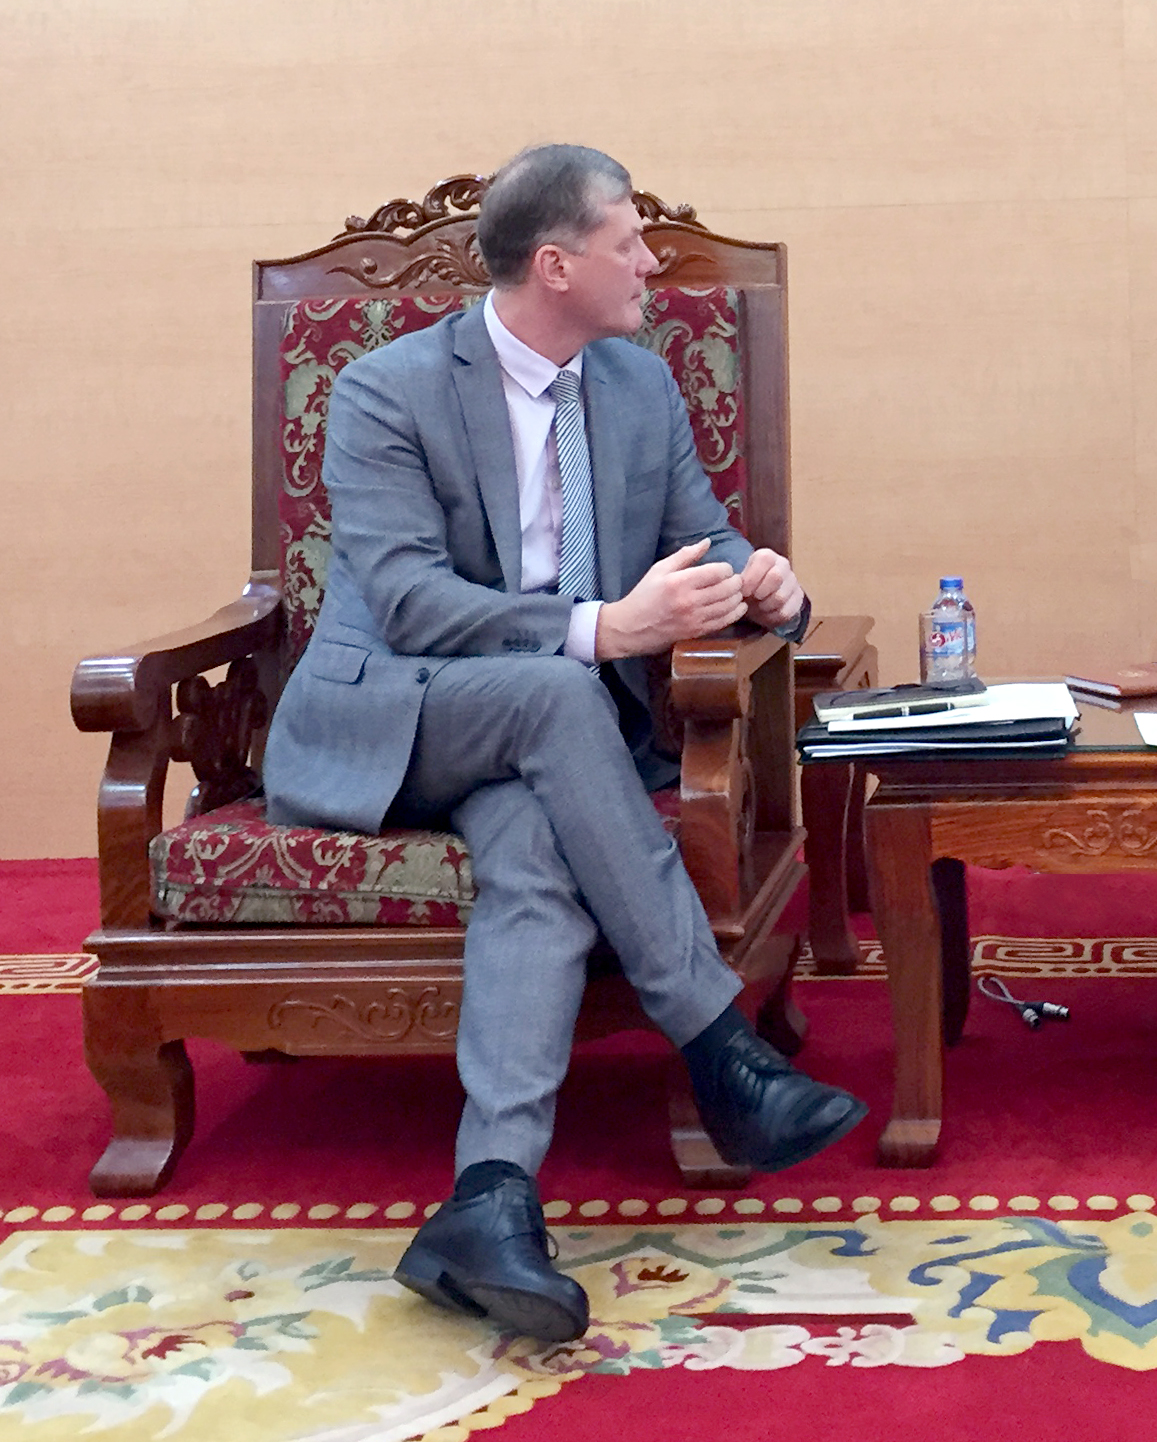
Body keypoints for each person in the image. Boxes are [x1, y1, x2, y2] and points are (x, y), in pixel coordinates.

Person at [262, 143, 867, 1342]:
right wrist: (604, 629)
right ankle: (718, 1046)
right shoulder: (387, 390)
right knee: (553, 696)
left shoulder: (636, 384)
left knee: (533, 859)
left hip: (545, 749)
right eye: (626, 242)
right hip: (398, 713)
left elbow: (701, 538)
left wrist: (765, 583)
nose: (650, 263)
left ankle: (488, 1200)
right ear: (555, 265)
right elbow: (409, 600)